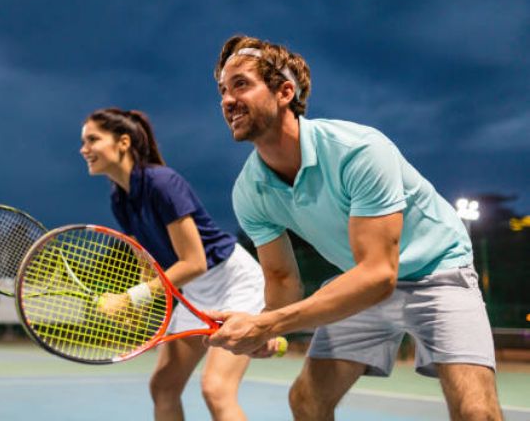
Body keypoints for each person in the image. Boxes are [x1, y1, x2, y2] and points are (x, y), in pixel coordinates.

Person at [207, 35, 502, 420]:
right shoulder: (249, 191)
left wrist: (266, 323)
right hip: (361, 283)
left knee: (476, 411)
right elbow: (282, 282)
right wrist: (266, 327)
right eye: (223, 91)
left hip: (438, 272)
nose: (227, 100)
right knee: (307, 402)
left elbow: (379, 273)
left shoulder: (359, 150)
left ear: (284, 92)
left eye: (241, 84)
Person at [80, 107, 278, 421]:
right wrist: (137, 308)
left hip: (232, 278)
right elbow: (149, 264)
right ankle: (263, 341)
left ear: (123, 142)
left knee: (216, 389)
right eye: (84, 142)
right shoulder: (119, 199)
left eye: (92, 139)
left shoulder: (162, 182)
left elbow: (194, 261)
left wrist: (132, 297)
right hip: (192, 290)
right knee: (163, 386)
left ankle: (262, 337)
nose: (84, 149)